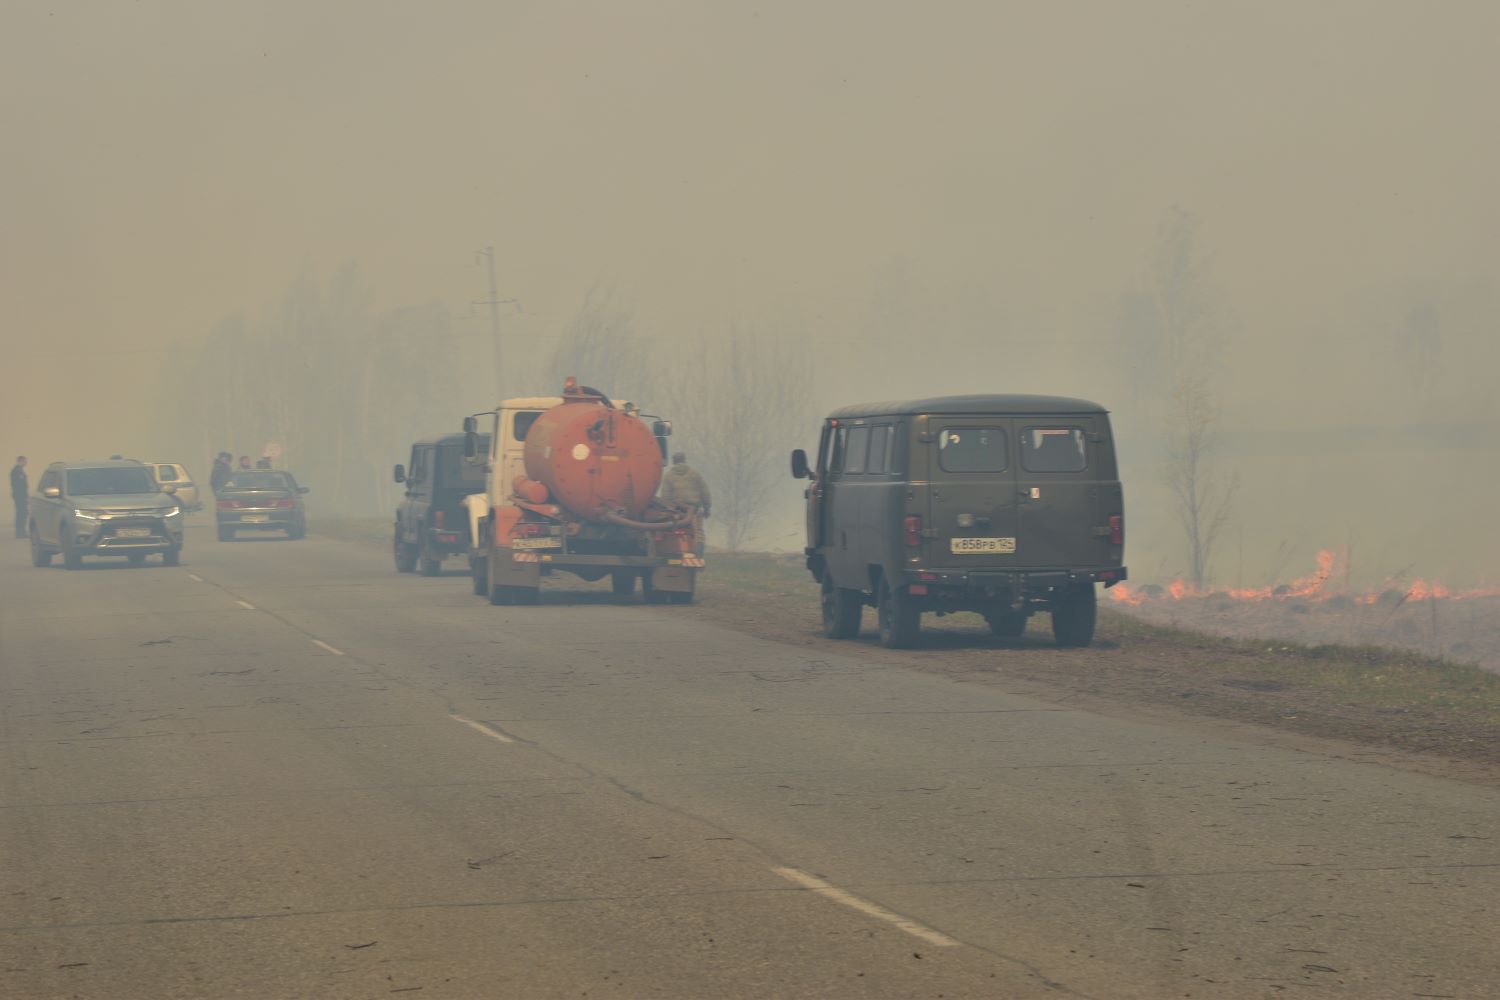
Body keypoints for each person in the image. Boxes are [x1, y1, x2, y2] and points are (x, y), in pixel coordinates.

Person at [660, 451, 710, 554]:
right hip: (694, 510)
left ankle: (677, 553)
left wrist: (667, 510)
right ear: (684, 460)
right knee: (698, 532)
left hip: (677, 511)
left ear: (674, 462)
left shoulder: (668, 476)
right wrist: (707, 507)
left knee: (675, 532)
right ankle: (698, 556)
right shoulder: (695, 474)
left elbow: (665, 496)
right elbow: (705, 491)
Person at [10, 456, 27, 539]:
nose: (26, 463)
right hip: (20, 497)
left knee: (22, 514)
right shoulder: (17, 471)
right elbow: (19, 486)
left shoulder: (18, 470)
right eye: (24, 461)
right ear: (20, 461)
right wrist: (24, 496)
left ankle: (21, 532)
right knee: (21, 514)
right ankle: (20, 533)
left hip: (20, 497)